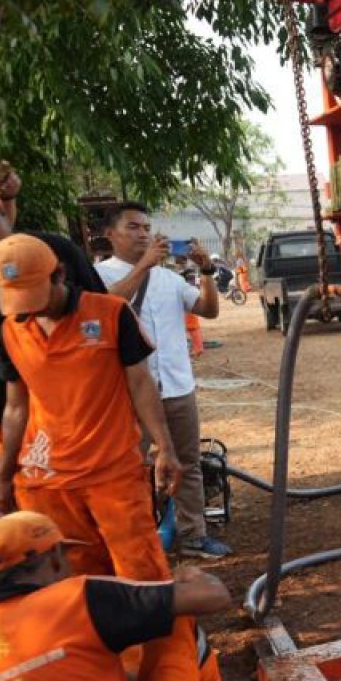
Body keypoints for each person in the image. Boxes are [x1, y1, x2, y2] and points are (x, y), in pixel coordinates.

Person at [0, 233, 201, 681]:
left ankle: (169, 677)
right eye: (16, 300)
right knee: (72, 589)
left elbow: (141, 385)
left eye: (33, 295)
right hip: (44, 484)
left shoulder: (109, 315)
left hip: (111, 476)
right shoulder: (11, 330)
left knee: (143, 582)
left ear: (60, 274)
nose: (27, 309)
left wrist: (164, 447)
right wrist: (4, 477)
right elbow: (15, 407)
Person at [96, 203, 229, 559]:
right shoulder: (100, 276)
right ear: (110, 234)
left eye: (146, 227)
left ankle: (193, 534)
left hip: (176, 387)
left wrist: (205, 271)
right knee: (130, 467)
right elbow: (106, 306)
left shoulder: (169, 279)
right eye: (133, 227)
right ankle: (134, 540)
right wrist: (143, 266)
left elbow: (208, 310)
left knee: (187, 462)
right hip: (128, 393)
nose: (143, 234)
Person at [0, 511, 230, 681]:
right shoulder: (76, 598)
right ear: (54, 558)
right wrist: (190, 574)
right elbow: (213, 597)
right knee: (175, 621)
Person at [0, 182, 106, 501]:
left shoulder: (57, 251)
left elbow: (105, 316)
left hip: (90, 416)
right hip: (19, 422)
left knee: (107, 512)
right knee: (40, 518)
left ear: (3, 213)